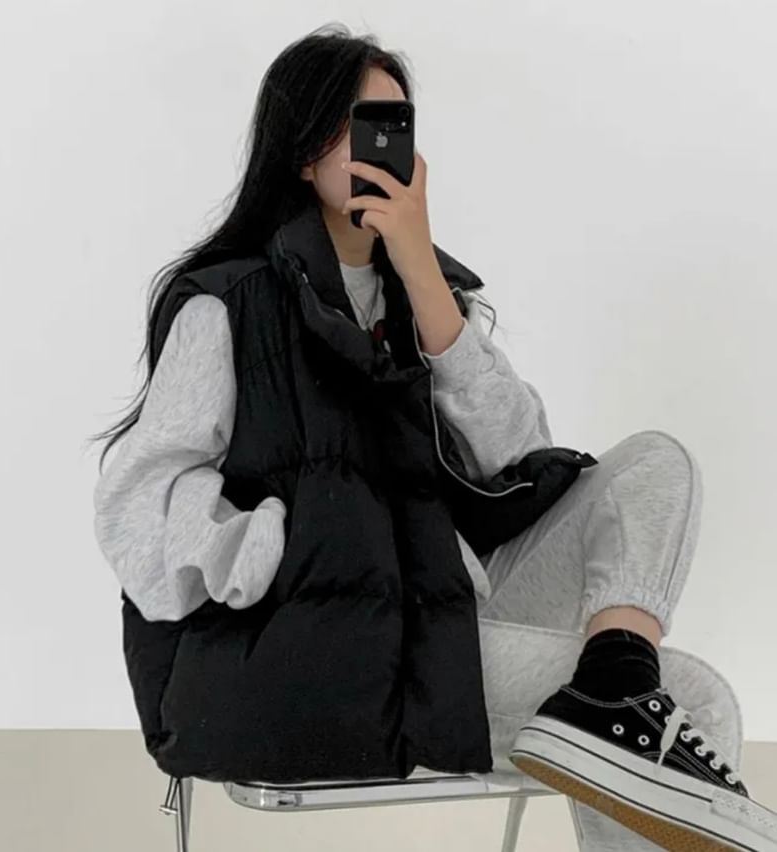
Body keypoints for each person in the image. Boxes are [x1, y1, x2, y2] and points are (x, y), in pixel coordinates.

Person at [90, 24, 777, 851]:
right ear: (304, 153)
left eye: (396, 124)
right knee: (697, 702)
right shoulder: (230, 306)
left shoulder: (427, 297)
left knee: (656, 466)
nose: (384, 146)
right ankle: (611, 712)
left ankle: (614, 681)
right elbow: (137, 511)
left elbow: (519, 457)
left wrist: (420, 270)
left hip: (446, 613)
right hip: (325, 646)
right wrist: (273, 552)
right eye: (359, 124)